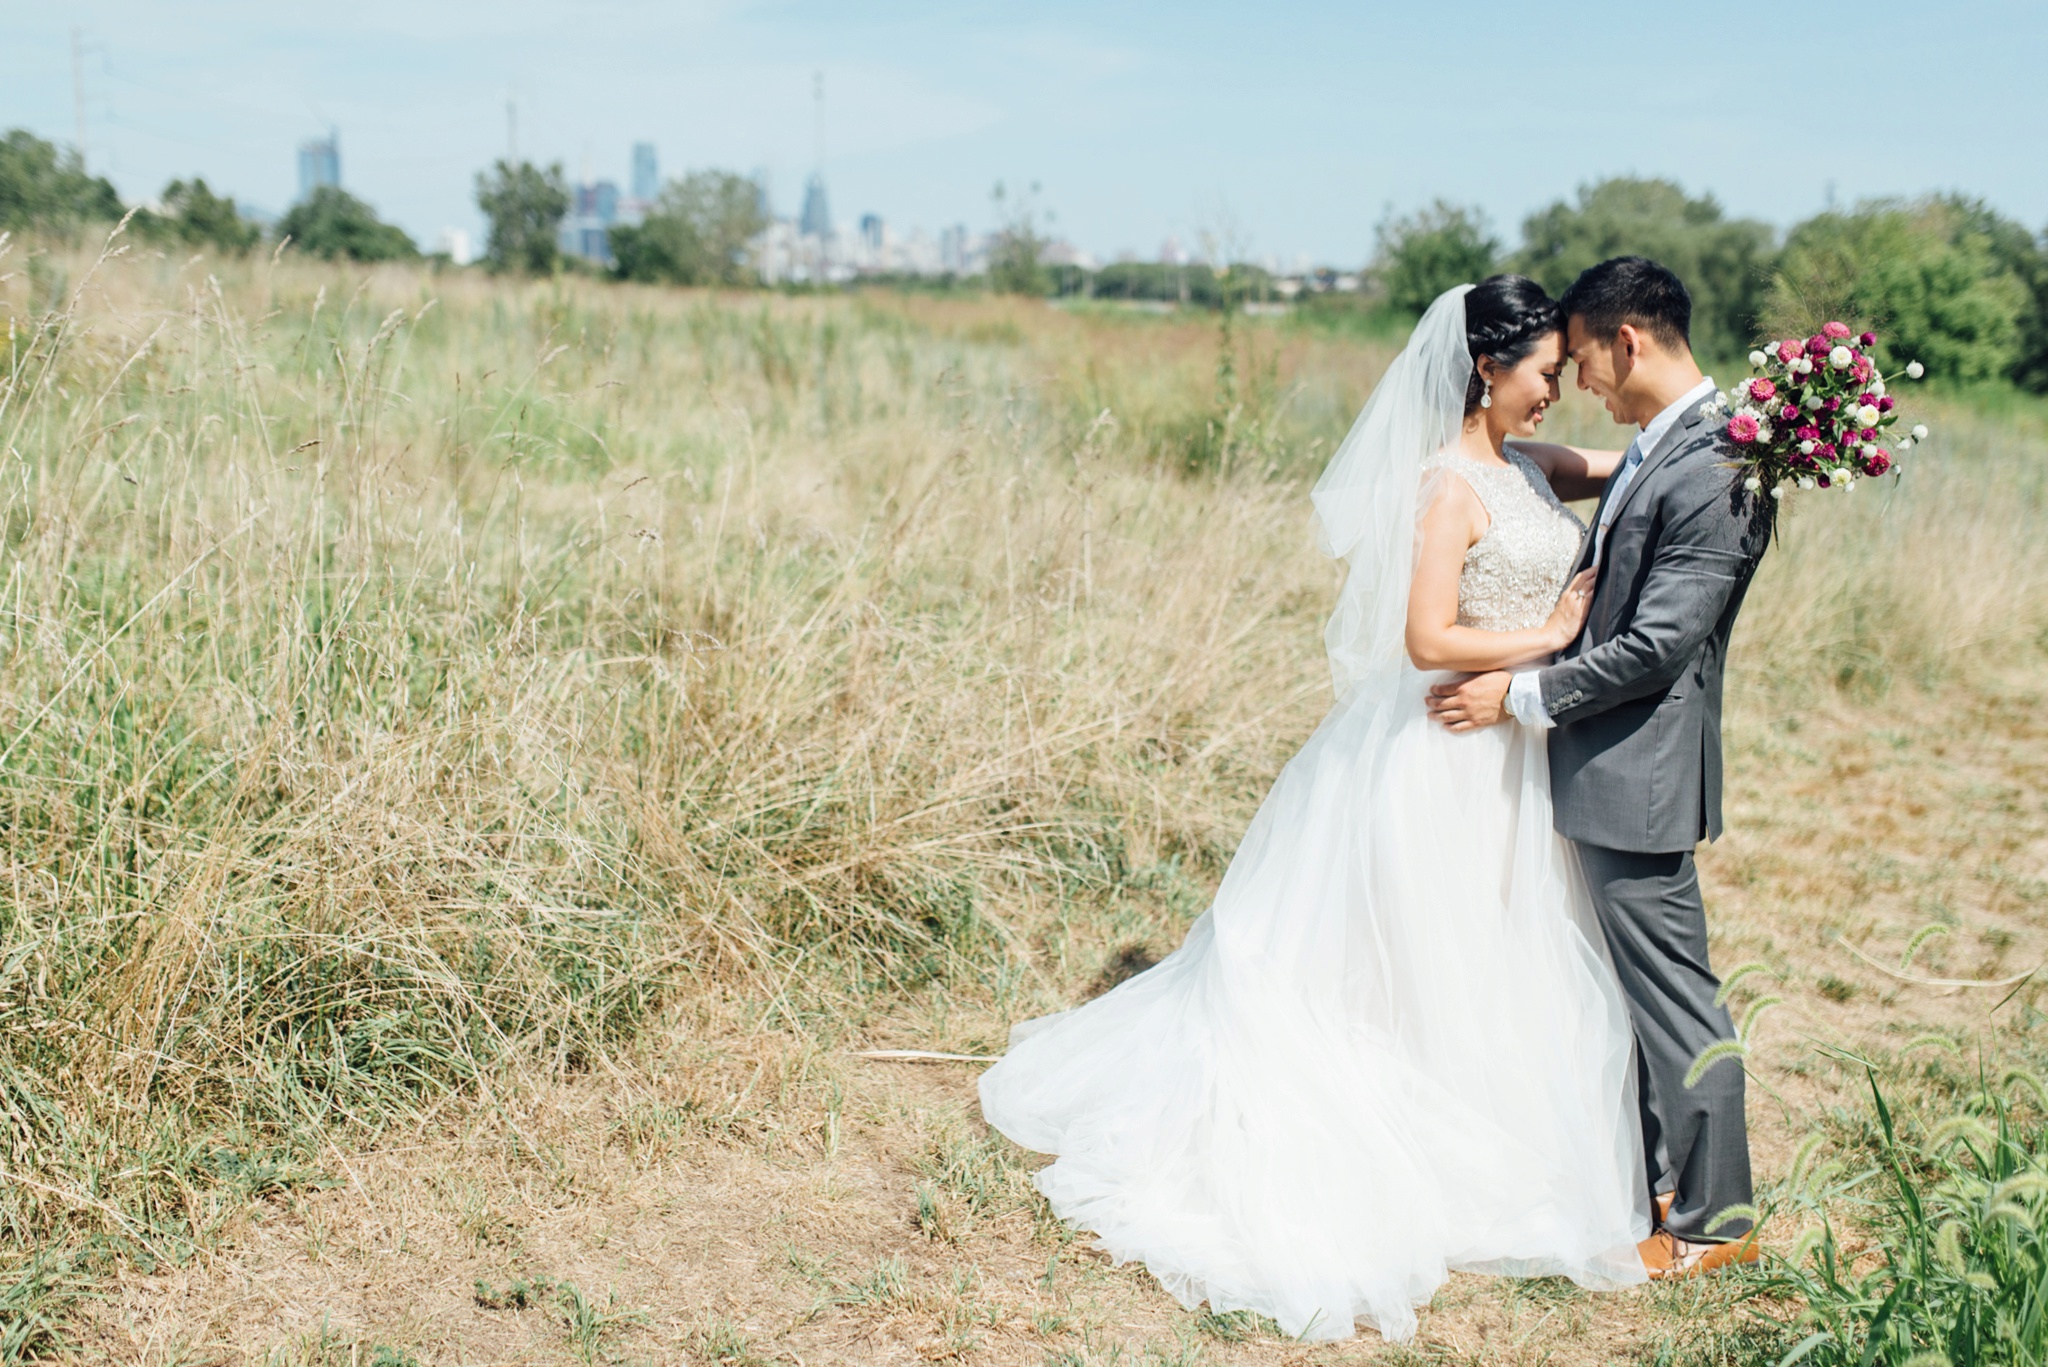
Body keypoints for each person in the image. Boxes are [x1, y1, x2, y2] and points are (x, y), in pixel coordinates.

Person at [979, 276, 1649, 1344]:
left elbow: (1634, 465)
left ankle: (1476, 1128)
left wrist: (1757, 431)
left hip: (1512, 748)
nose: (1553, 395)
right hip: (1443, 744)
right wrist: (1550, 633)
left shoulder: (1529, 466)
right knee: (1416, 949)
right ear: (1486, 368)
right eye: (1542, 375)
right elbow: (1425, 638)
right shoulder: (1445, 488)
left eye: (1562, 377)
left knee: (1492, 946)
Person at [1427, 256, 1775, 1277]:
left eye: (1578, 357)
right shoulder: (1662, 443)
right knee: (1615, 993)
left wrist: (1518, 692)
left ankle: (1714, 1219)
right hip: (1598, 768)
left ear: (1623, 342)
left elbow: (1657, 646)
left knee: (1672, 997)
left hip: (1637, 771)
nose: (1575, 379)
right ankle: (1651, 1177)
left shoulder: (1711, 464)